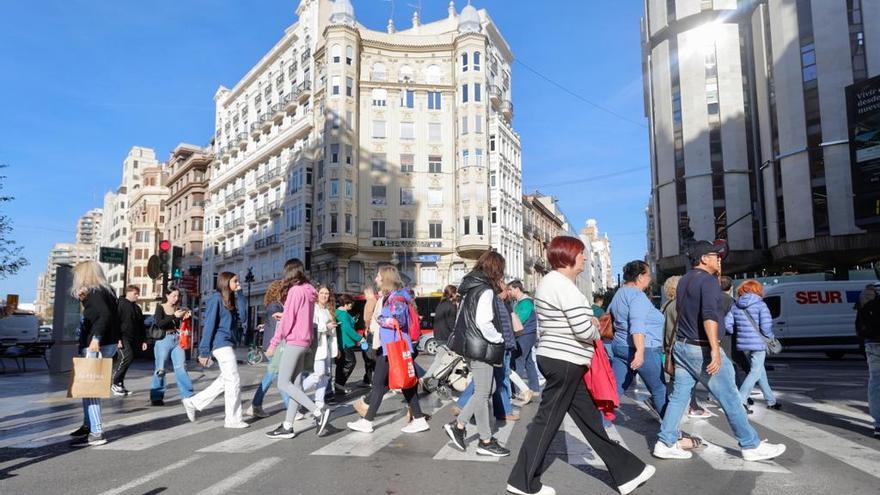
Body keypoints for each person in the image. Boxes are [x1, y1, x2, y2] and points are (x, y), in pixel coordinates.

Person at [507, 237, 654, 495]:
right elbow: (583, 329)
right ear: (569, 255)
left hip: (562, 359)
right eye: (582, 254)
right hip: (565, 361)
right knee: (546, 422)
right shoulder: (561, 285)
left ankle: (628, 471)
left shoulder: (553, 283)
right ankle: (522, 481)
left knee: (589, 423)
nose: (584, 258)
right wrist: (595, 327)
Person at [653, 240, 786, 462]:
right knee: (731, 396)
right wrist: (715, 349)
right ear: (704, 259)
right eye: (715, 256)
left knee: (679, 396)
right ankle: (750, 445)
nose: (719, 259)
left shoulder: (685, 280)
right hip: (701, 347)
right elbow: (708, 315)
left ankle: (665, 442)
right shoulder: (707, 281)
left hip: (683, 345)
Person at [347, 265, 429, 434]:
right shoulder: (393, 296)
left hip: (393, 347)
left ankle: (367, 422)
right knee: (404, 385)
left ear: (385, 279)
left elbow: (398, 320)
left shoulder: (397, 298)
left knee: (379, 383)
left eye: (378, 276)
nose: (376, 279)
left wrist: (380, 319)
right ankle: (419, 419)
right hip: (392, 346)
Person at [444, 252, 511, 457]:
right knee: (483, 393)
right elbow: (483, 322)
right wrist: (498, 338)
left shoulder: (470, 288)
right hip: (481, 347)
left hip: (470, 346)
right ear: (496, 269)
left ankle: (460, 425)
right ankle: (485, 440)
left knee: (486, 389)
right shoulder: (486, 291)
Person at [263, 259, 332, 439]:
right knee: (296, 385)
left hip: (294, 342)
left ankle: (318, 412)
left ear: (290, 273)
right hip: (305, 342)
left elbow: (288, 322)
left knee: (283, 383)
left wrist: (273, 343)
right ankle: (287, 425)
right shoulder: (309, 291)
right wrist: (285, 315)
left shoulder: (295, 291)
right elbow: (296, 316)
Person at [182, 272, 249, 429]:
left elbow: (244, 318)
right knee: (233, 380)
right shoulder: (215, 299)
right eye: (235, 281)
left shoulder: (231, 300)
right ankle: (233, 419)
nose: (238, 283)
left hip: (228, 343)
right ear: (226, 282)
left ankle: (193, 402)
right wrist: (204, 351)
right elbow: (209, 324)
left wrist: (240, 294)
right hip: (220, 344)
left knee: (225, 381)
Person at [68, 261, 121, 447]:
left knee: (90, 389)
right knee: (87, 386)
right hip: (107, 343)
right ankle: (88, 425)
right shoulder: (107, 291)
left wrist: (96, 338)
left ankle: (96, 431)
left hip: (97, 344)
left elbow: (104, 315)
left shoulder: (95, 292)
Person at [453, 281, 520, 424]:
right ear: (500, 291)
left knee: (489, 384)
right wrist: (500, 340)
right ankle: (466, 419)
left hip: (494, 346)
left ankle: (464, 414)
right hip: (496, 346)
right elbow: (496, 326)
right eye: (505, 289)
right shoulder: (493, 300)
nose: (508, 292)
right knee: (494, 383)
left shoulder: (497, 302)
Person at [608, 260, 668, 418]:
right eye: (648, 275)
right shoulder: (637, 296)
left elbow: (610, 317)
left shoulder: (619, 294)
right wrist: (640, 351)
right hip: (644, 349)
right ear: (640, 277)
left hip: (621, 347)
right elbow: (637, 324)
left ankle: (601, 426)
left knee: (614, 391)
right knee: (659, 390)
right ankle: (672, 436)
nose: (650, 279)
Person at [725, 279, 780, 413]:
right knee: (755, 372)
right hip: (758, 344)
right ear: (757, 290)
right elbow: (766, 327)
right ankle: (741, 400)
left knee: (760, 371)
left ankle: (771, 400)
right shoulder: (761, 305)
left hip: (743, 344)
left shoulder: (735, 305)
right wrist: (770, 338)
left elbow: (728, 325)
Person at [246, 280, 289, 418]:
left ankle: (256, 405)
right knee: (280, 376)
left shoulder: (277, 305)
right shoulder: (274, 306)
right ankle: (291, 407)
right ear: (280, 291)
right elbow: (278, 320)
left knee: (271, 376)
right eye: (285, 290)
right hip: (274, 347)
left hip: (274, 346)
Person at [150, 287, 194, 407]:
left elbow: (182, 325)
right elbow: (160, 323)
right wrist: (174, 316)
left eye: (178, 296)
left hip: (177, 339)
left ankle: (188, 394)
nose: (176, 298)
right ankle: (157, 396)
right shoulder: (161, 307)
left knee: (181, 366)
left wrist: (186, 316)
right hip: (164, 339)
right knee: (160, 369)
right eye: (174, 295)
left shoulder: (179, 308)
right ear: (167, 295)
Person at [302, 285, 338, 411]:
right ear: (317, 294)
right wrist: (326, 327)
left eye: (327, 293)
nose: (324, 295)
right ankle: (297, 391)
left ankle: (319, 402)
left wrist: (331, 328)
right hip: (317, 347)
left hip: (326, 346)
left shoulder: (327, 310)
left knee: (326, 376)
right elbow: (311, 326)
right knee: (318, 374)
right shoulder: (314, 309)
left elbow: (328, 330)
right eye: (322, 293)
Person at [508, 280, 541, 405]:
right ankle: (535, 388)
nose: (509, 292)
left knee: (518, 360)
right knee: (528, 361)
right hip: (527, 335)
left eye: (510, 289)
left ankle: (516, 390)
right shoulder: (520, 302)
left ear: (517, 289)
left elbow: (520, 320)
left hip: (525, 335)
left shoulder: (526, 303)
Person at [855, 283, 880, 438]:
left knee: (875, 382)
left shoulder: (863, 303)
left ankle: (878, 424)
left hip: (872, 343)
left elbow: (859, 325)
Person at [113, 285, 147, 397]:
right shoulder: (120, 304)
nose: (137, 296)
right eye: (135, 293)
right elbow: (115, 322)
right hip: (122, 337)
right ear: (128, 293)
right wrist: (117, 338)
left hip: (133, 338)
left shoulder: (137, 308)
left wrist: (144, 341)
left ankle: (119, 384)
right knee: (126, 357)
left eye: (138, 293)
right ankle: (114, 382)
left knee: (127, 359)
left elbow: (141, 326)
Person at [422, 285, 458, 384]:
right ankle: (426, 378)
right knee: (440, 360)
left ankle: (441, 381)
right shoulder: (451, 306)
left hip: (438, 336)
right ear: (453, 293)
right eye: (456, 293)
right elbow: (452, 325)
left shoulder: (440, 304)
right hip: (446, 337)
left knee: (444, 360)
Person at [335, 294, 365, 389]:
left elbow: (346, 324)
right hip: (346, 343)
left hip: (341, 342)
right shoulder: (343, 314)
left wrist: (353, 320)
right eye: (350, 303)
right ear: (345, 303)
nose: (352, 305)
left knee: (341, 364)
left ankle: (338, 384)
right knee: (351, 362)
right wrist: (360, 338)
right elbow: (347, 329)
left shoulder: (339, 312)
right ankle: (340, 383)